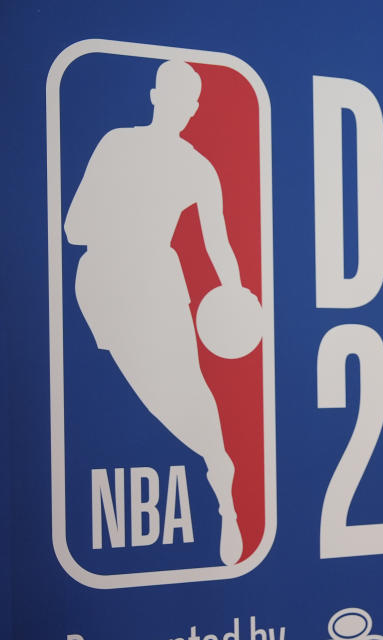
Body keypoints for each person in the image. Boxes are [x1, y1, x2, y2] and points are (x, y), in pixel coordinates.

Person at [64, 60, 245, 566]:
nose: (183, 108)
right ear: (156, 96)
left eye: (190, 100)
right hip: (102, 285)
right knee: (127, 395)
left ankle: (223, 490)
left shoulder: (197, 167)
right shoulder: (118, 145)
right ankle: (218, 472)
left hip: (154, 284)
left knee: (187, 393)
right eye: (178, 96)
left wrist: (233, 297)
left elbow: (220, 246)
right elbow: (72, 227)